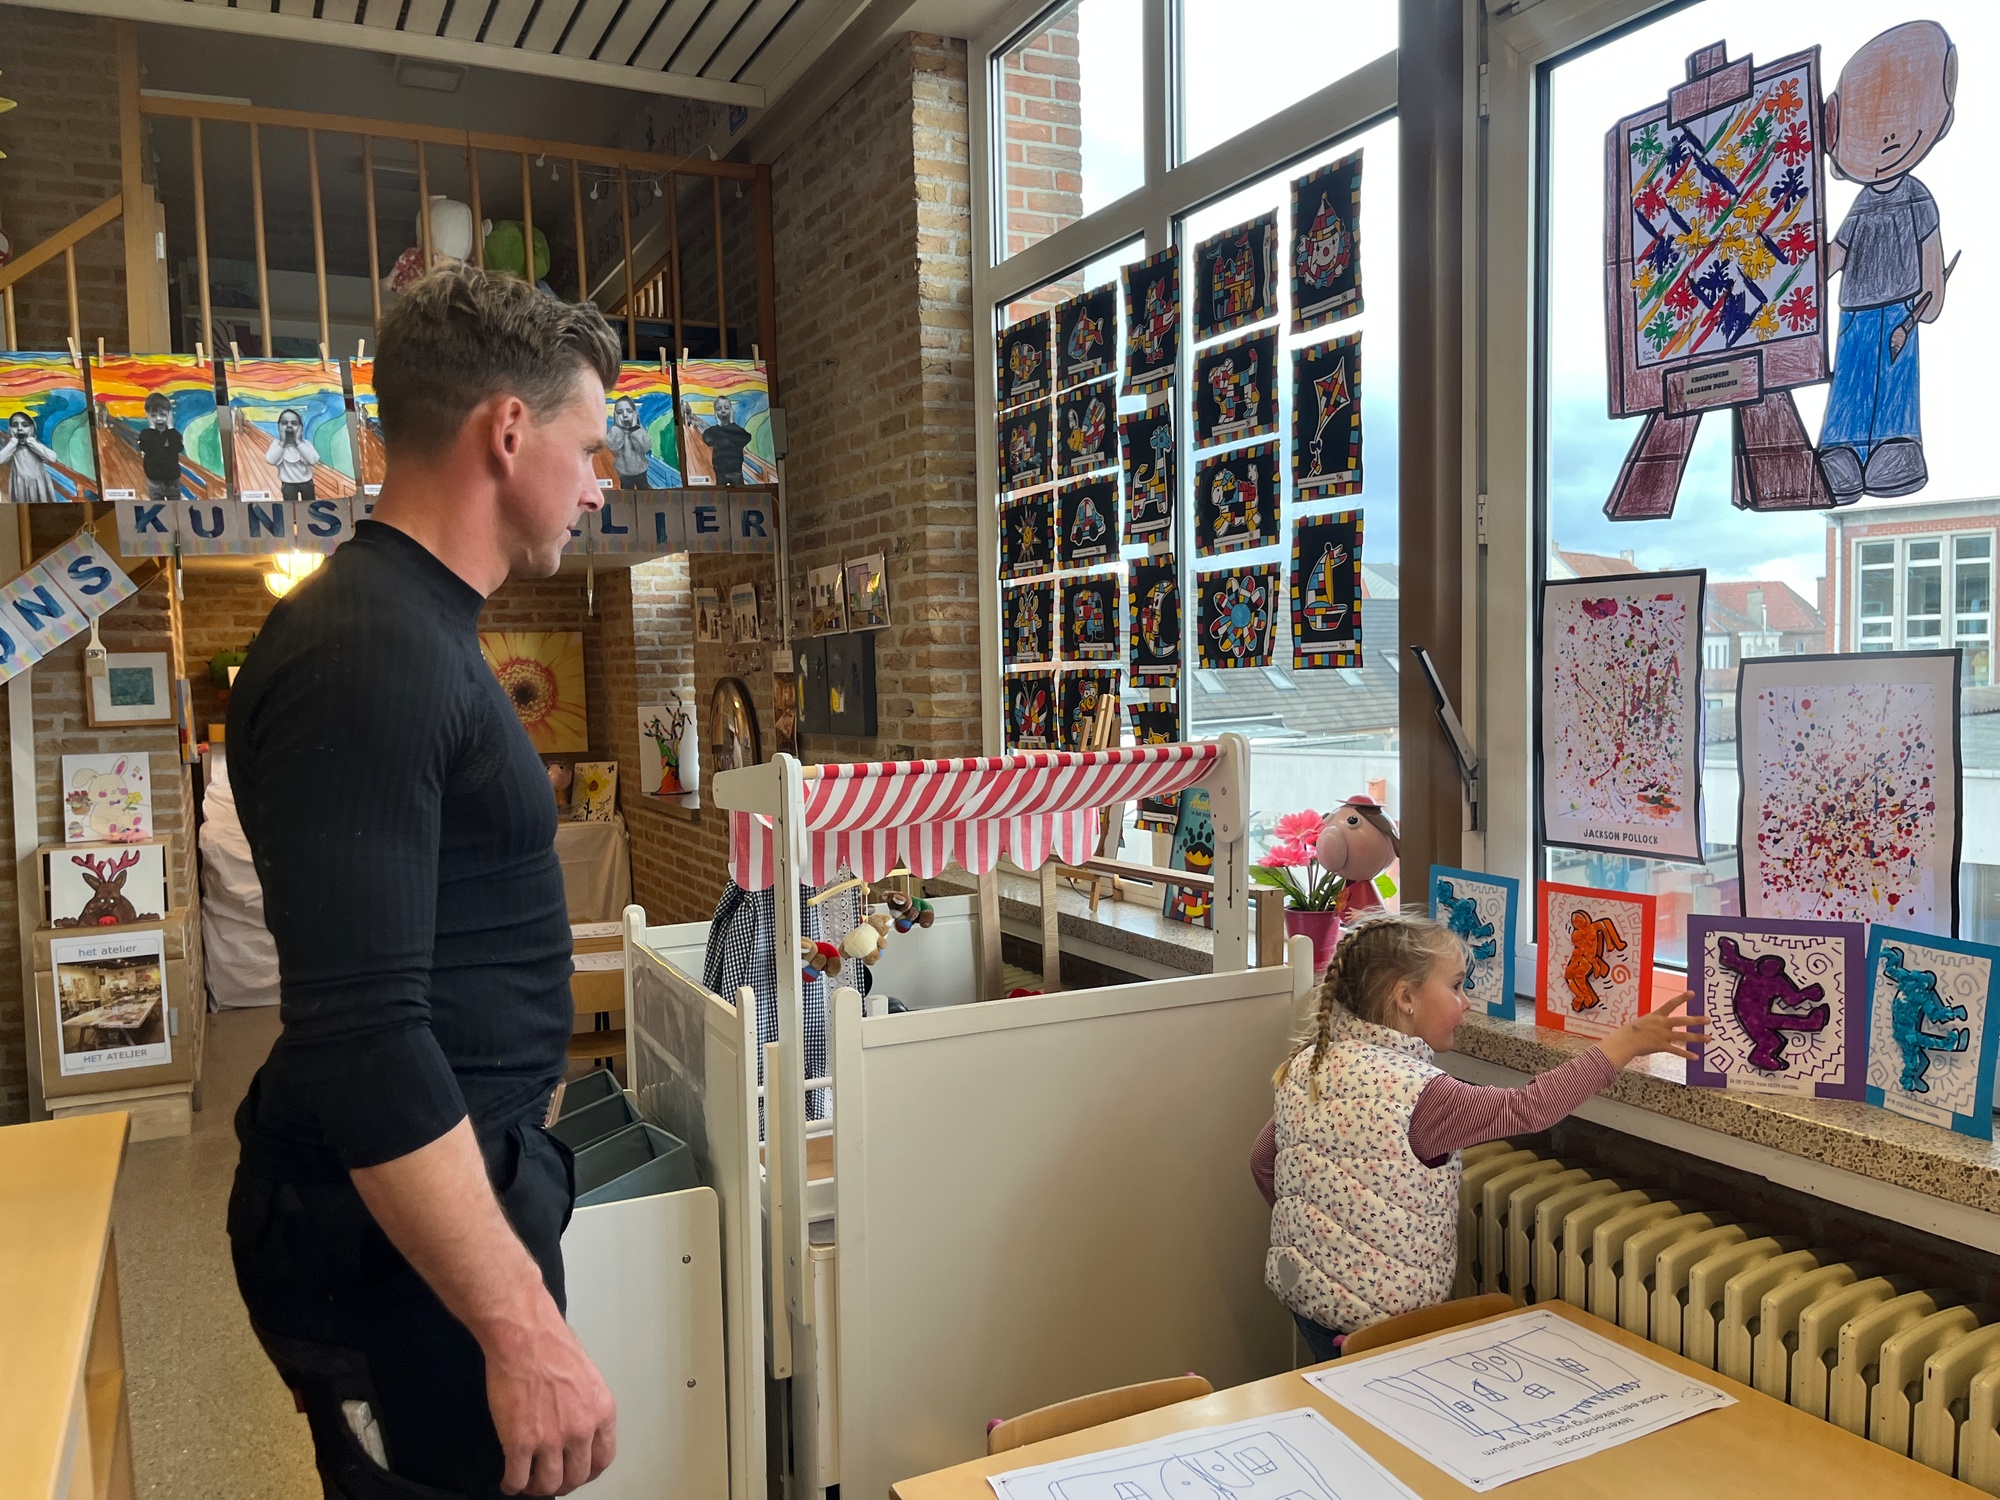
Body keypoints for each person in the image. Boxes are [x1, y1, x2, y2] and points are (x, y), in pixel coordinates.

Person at [226, 265, 621, 1499]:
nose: (600, 484)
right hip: (392, 1249)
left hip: (443, 1210)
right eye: (589, 447)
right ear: (506, 431)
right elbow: (362, 1036)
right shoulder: (367, 651)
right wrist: (521, 1330)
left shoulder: (417, 628)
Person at [1249, 913, 1701, 1364]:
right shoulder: (1423, 1096)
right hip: (1386, 1321)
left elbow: (1264, 1160)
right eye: (1456, 986)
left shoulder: (1309, 1065)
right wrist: (1627, 1042)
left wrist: (1324, 1240)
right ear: (1405, 998)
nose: (1466, 1002)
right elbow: (1530, 1107)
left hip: (1307, 1295)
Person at [1816, 21, 1957, 502]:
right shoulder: (1860, 205)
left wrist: (1931, 297)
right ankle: (1841, 451)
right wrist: (1803, 273)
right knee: (1852, 381)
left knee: (1896, 381)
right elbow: (1839, 252)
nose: (1889, 136)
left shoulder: (1917, 197)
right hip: (1855, 312)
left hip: (1900, 308)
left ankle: (1896, 449)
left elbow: (1931, 255)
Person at [0, 409, 61, 503]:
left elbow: (52, 457)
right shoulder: (12, 448)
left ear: (32, 428)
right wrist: (11, 444)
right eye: (14, 425)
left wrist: (33, 443)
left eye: (25, 425)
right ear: (10, 429)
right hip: (20, 484)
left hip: (39, 482)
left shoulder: (35, 445)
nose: (19, 428)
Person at [265, 407, 322, 504]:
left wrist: (298, 442)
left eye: (294, 423)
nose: (289, 426)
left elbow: (313, 460)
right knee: (289, 505)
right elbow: (271, 460)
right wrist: (283, 442)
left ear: (301, 428)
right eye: (284, 423)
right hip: (288, 484)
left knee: (309, 504)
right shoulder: (277, 445)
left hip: (306, 482)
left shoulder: (306, 444)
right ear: (279, 427)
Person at [136, 392, 185, 503]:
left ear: (169, 415)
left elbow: (178, 448)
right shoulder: (146, 434)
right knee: (157, 507)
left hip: (173, 482)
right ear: (148, 416)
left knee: (176, 507)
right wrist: (152, 429)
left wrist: (171, 426)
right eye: (153, 416)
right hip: (154, 482)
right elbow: (146, 448)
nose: (158, 419)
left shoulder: (173, 434)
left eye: (163, 415)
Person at [697, 393, 752, 485]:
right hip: (720, 472)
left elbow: (747, 437)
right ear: (715, 413)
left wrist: (732, 422)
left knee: (740, 493)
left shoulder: (736, 431)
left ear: (731, 411)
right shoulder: (714, 431)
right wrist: (719, 424)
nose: (723, 411)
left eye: (726, 408)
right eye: (718, 409)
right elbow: (706, 438)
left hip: (736, 472)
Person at [605, 395, 651, 491]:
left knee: (644, 493)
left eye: (629, 411)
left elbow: (644, 448)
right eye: (619, 412)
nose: (625, 415)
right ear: (615, 415)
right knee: (627, 495)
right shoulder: (614, 430)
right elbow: (613, 446)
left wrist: (634, 429)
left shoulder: (639, 430)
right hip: (623, 472)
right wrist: (618, 427)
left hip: (641, 470)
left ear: (635, 414)